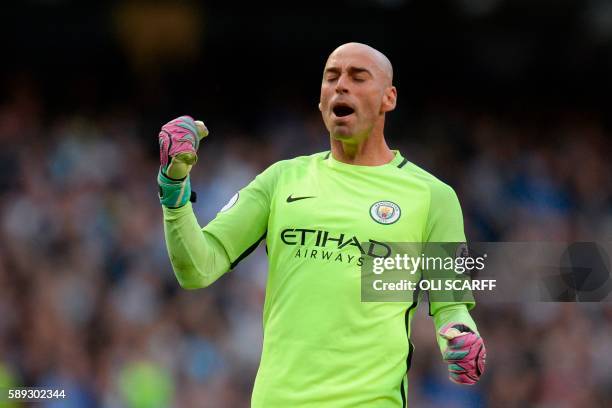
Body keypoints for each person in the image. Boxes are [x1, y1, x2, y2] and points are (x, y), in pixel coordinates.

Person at [157, 42, 486, 407]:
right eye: (332, 78)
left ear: (388, 98)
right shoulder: (282, 180)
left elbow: (452, 306)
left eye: (358, 77)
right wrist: (174, 187)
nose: (341, 85)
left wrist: (460, 337)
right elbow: (198, 268)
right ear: (320, 101)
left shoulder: (431, 196)